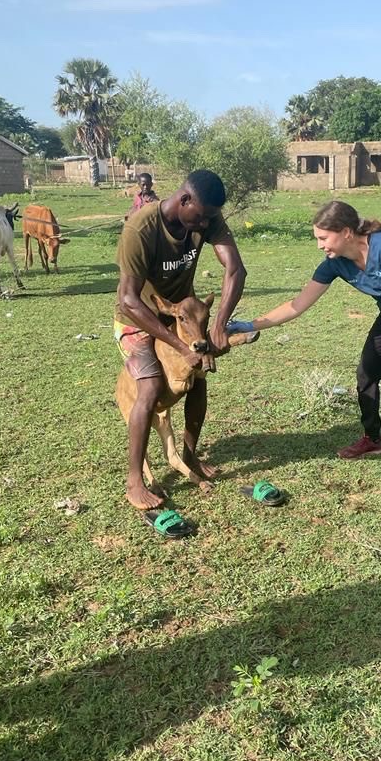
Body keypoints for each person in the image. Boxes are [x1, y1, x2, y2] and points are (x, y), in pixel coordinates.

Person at [227, 200, 381, 485]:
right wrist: (252, 324)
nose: (320, 245)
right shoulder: (335, 264)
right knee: (367, 374)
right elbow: (297, 305)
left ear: (346, 232)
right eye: (317, 239)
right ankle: (372, 439)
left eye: (323, 238)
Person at [114, 169, 247, 510]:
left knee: (198, 378)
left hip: (185, 317)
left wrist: (218, 325)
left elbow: (235, 269)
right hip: (138, 319)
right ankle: (134, 481)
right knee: (150, 384)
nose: (204, 225)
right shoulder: (140, 229)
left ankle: (190, 456)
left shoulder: (206, 218)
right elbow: (129, 299)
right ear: (184, 200)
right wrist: (179, 346)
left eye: (209, 220)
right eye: (200, 217)